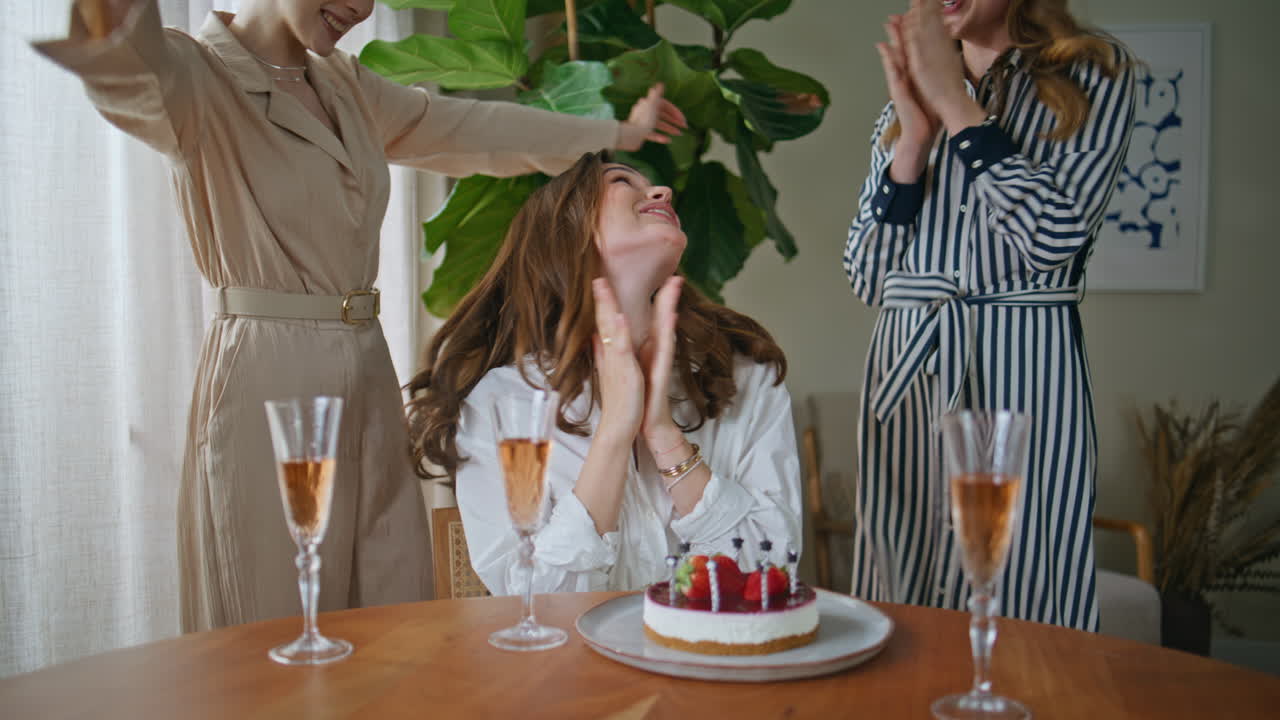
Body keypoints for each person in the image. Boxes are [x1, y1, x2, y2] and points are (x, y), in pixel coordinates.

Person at [32, 0, 687, 631]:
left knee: (391, 606)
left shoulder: (347, 86)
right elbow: (117, 56)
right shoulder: (197, 76)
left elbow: (478, 132)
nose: (360, 7)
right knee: (276, 623)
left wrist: (615, 134)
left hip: (369, 370)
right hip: (268, 377)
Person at [844, 0, 1136, 630]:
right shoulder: (900, 112)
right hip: (910, 366)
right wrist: (914, 141)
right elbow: (868, 275)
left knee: (1026, 573)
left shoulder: (1094, 74)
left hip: (1025, 361)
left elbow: (1051, 238)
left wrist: (959, 111)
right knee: (904, 580)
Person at [406, 152, 801, 593]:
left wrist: (664, 436)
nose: (661, 192)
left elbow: (769, 575)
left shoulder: (745, 377)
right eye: (620, 180)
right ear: (567, 231)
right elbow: (533, 603)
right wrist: (615, 431)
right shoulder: (502, 404)